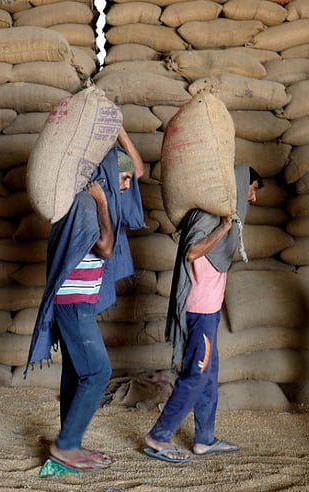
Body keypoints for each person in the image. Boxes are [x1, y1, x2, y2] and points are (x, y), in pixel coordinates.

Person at [26, 128, 145, 472]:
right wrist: (104, 203)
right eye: (121, 179)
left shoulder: (91, 196)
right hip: (73, 303)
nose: (127, 185)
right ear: (108, 176)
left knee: (77, 371)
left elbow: (137, 171)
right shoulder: (86, 204)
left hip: (77, 302)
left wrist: (120, 133)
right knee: (98, 371)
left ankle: (69, 439)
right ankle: (66, 446)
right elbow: (105, 248)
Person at [143, 165, 263, 464]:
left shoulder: (219, 216)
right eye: (253, 189)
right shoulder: (211, 218)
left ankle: (204, 439)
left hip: (208, 310)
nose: (253, 198)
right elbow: (192, 253)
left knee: (209, 376)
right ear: (242, 184)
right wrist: (223, 227)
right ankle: (158, 435)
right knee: (196, 375)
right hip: (198, 310)